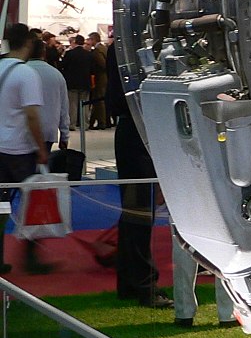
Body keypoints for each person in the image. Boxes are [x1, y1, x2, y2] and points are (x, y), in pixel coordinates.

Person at [105, 41, 172, 308]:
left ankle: (132, 283)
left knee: (135, 212)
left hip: (131, 131)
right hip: (139, 132)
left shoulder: (118, 49)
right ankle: (144, 285)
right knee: (140, 213)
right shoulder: (133, 49)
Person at [0, 23, 50, 274]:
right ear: (29, 43)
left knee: (0, 206)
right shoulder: (27, 74)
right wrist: (42, 148)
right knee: (34, 204)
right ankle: (31, 258)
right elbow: (32, 115)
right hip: (20, 151)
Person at [27, 36, 70, 154]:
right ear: (44, 52)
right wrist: (65, 135)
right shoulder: (56, 75)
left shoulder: (22, 71)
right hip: (48, 130)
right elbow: (64, 108)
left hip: (23, 131)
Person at [61, 35, 93, 130]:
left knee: (72, 104)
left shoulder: (69, 53)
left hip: (72, 82)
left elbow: (64, 66)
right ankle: (85, 124)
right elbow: (92, 69)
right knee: (85, 104)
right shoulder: (88, 54)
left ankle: (72, 124)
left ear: (75, 41)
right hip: (85, 82)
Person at [88, 32, 110, 129]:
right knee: (99, 100)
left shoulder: (97, 50)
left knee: (99, 100)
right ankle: (95, 121)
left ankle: (102, 122)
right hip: (105, 78)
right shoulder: (104, 48)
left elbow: (103, 64)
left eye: (89, 39)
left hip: (100, 78)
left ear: (93, 39)